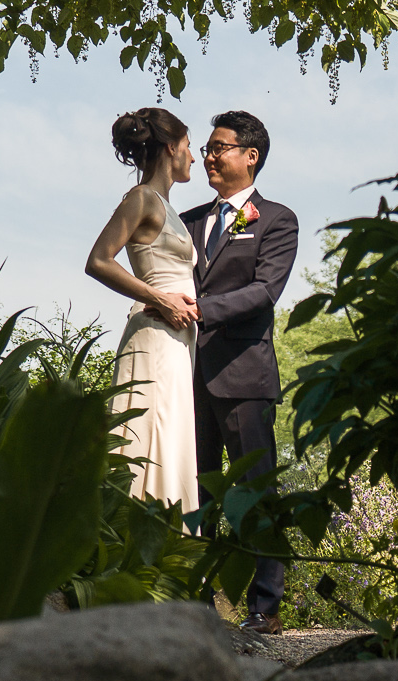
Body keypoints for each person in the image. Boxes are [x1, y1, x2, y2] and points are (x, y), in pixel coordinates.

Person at [181, 110, 299, 635]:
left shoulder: (276, 219)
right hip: (186, 378)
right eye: (206, 147)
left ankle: (265, 608)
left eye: (219, 147)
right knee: (195, 494)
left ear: (250, 156)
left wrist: (202, 309)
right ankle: (198, 606)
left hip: (244, 377)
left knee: (255, 491)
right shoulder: (184, 223)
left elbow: (264, 292)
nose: (208, 155)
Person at [85, 107, 200, 508]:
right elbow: (98, 260)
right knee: (152, 434)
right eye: (188, 146)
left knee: (173, 437)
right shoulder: (142, 199)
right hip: (154, 336)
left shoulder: (169, 209)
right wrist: (160, 298)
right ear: (171, 148)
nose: (193, 156)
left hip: (178, 342)